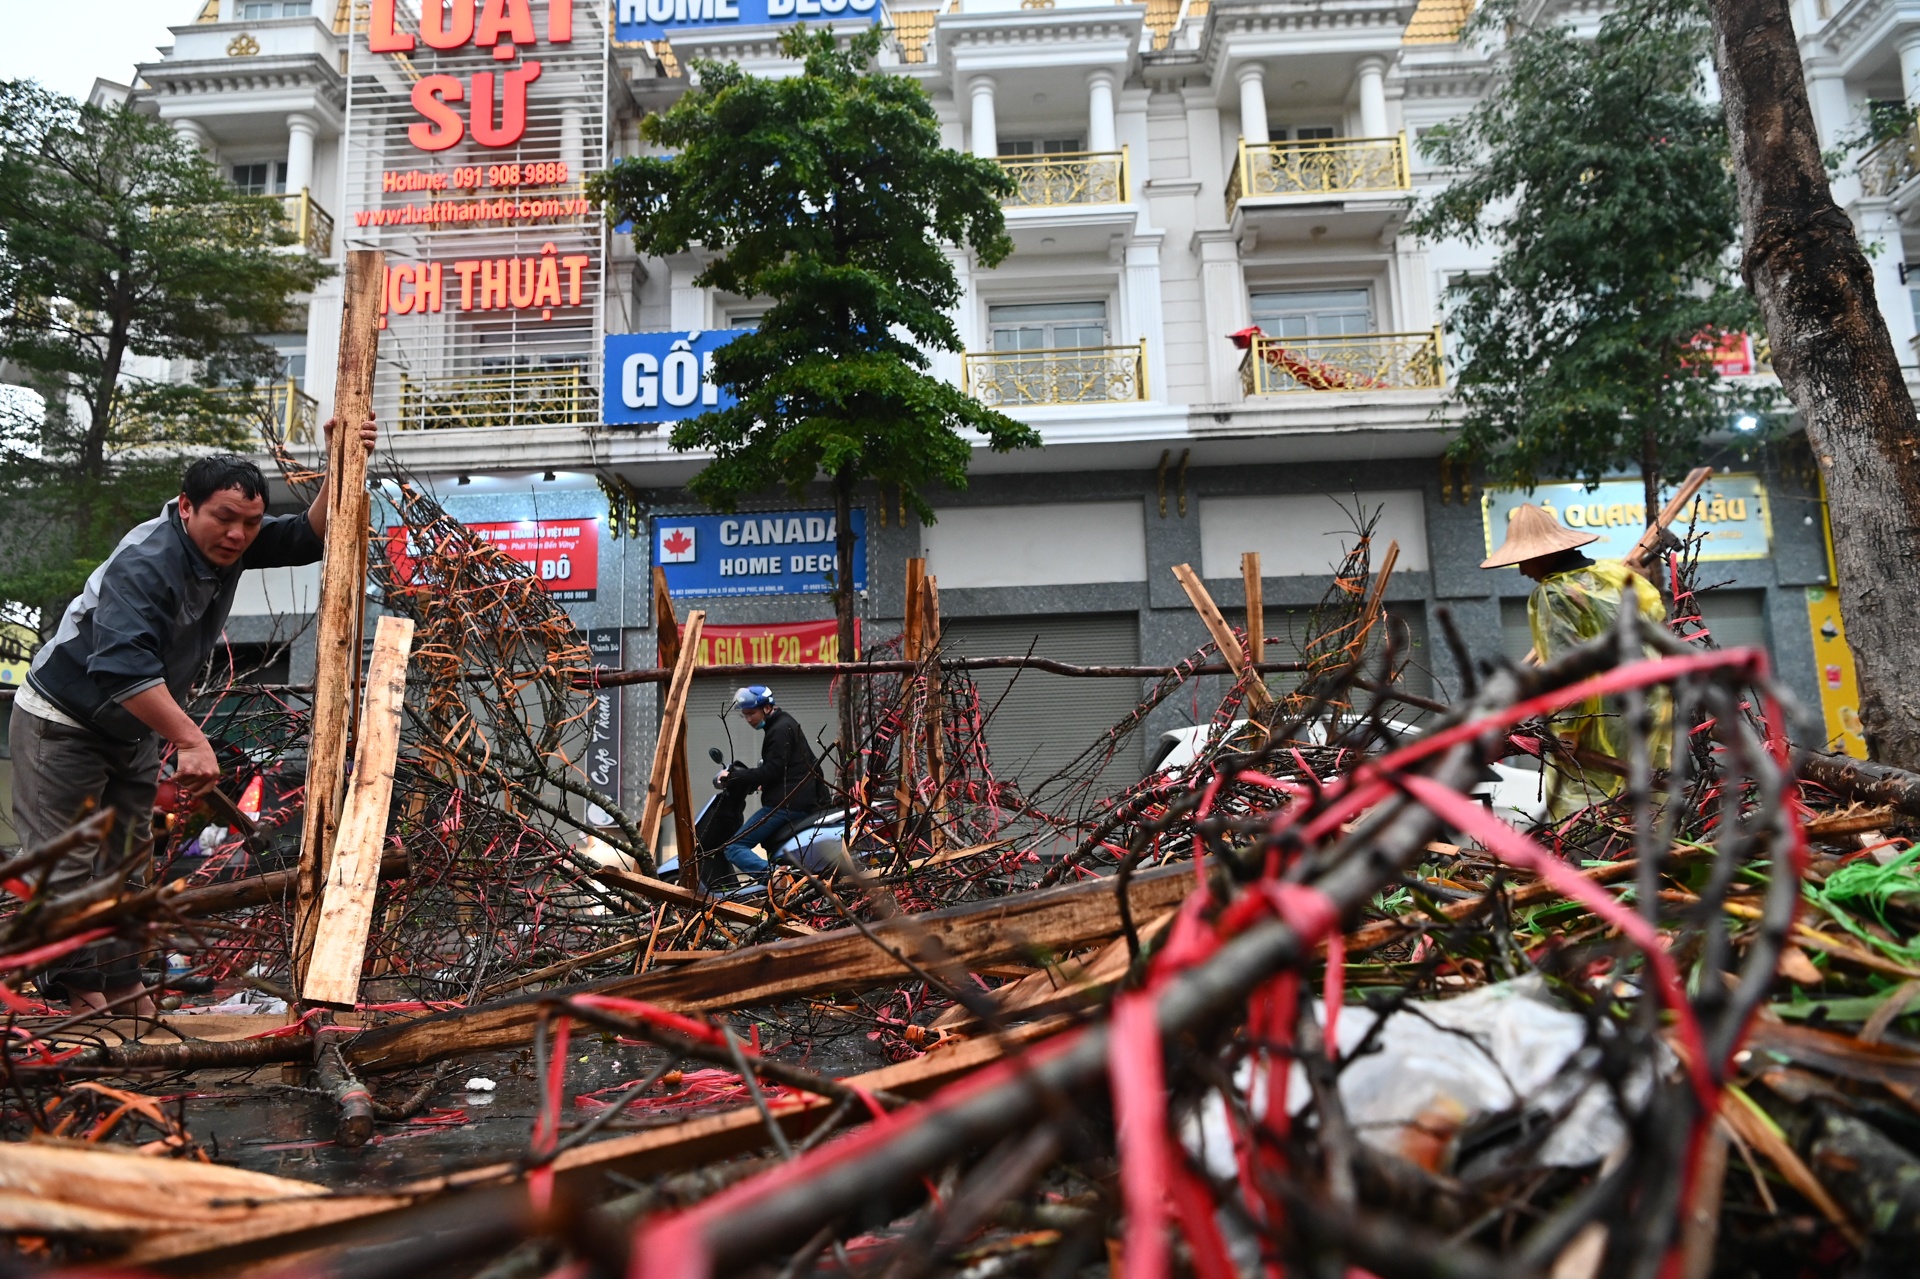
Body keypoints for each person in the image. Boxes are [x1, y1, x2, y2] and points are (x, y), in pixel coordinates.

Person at [11, 418, 378, 1013]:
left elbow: (313, 538)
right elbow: (121, 670)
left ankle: (125, 986)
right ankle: (78, 998)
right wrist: (189, 738)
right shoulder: (147, 560)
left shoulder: (233, 541)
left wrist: (340, 462)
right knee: (69, 866)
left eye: (250, 524)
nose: (238, 535)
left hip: (129, 731)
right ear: (187, 507)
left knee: (127, 863)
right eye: (224, 519)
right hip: (61, 723)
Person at [1481, 502, 1671, 815]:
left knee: (1587, 810)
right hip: (1649, 703)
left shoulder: (1554, 594)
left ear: (1541, 555)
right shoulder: (1611, 575)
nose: (1522, 571)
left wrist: (1569, 730)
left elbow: (1569, 667)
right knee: (1643, 804)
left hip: (1600, 720)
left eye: (1524, 561)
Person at [713, 685, 827, 877]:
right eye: (745, 715)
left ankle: (775, 880)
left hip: (786, 804)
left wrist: (733, 777)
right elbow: (786, 766)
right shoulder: (784, 723)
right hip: (796, 799)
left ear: (766, 708)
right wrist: (763, 783)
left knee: (734, 847)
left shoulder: (779, 730)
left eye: (751, 713)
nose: (749, 719)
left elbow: (771, 770)